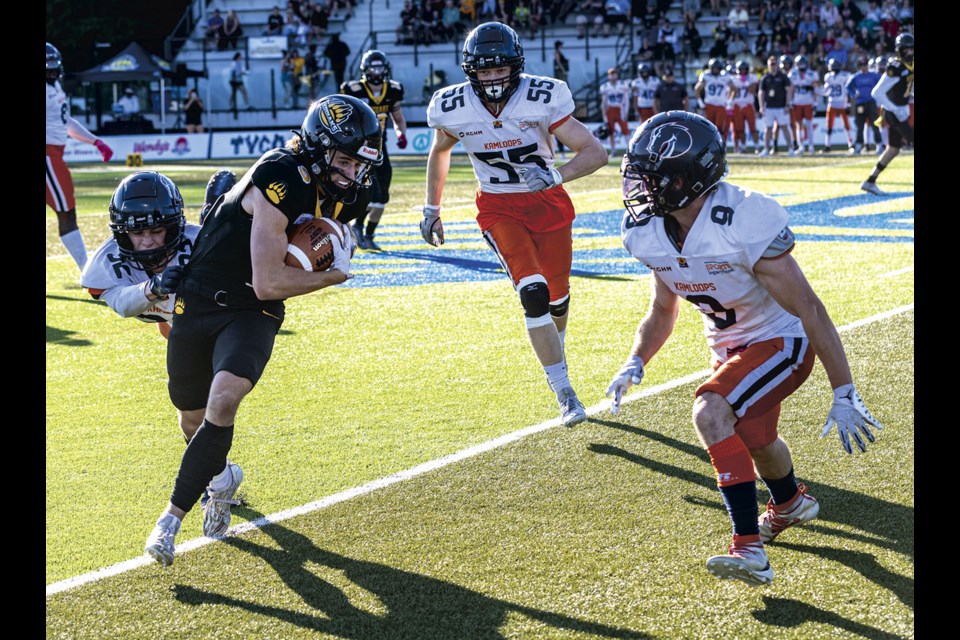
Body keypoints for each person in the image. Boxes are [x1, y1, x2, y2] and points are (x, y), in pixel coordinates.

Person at [610, 110, 884, 587]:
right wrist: (637, 359)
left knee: (710, 411)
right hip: (730, 347)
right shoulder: (647, 231)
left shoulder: (742, 218)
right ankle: (790, 502)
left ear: (688, 180)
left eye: (653, 176)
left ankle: (748, 549)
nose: (639, 185)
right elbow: (662, 311)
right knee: (757, 441)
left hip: (783, 341)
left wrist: (844, 391)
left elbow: (810, 309)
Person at [143, 95, 383, 566]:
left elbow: (269, 287)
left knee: (224, 399)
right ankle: (221, 478)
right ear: (316, 150)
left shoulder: (344, 190)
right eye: (344, 160)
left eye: (359, 163)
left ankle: (169, 521)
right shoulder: (281, 174)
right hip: (203, 295)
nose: (352, 173)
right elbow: (271, 277)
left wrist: (331, 243)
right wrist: (331, 275)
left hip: (253, 309)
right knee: (191, 417)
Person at [420, 22, 607, 427]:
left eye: (498, 70)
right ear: (470, 71)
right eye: (483, 71)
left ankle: (555, 352)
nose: (491, 78)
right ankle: (564, 392)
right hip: (498, 207)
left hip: (548, 204)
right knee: (534, 293)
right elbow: (440, 152)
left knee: (557, 298)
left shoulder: (542, 96)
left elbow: (595, 152)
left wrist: (556, 175)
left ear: (515, 67)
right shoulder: (451, 106)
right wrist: (431, 208)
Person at [46, 42, 114, 274]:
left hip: (54, 154)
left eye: (54, 69)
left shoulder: (55, 87)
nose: (53, 73)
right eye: (48, 70)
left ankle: (87, 270)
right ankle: (87, 271)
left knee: (67, 210)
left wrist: (95, 141)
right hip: (47, 156)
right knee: (67, 212)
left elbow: (65, 123)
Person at [340, 50, 409, 251]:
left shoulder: (393, 90)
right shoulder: (353, 89)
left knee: (383, 195)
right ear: (365, 70)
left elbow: (398, 119)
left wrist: (401, 134)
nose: (377, 72)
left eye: (380, 67)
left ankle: (367, 233)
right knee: (374, 194)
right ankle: (358, 227)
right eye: (373, 68)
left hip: (381, 148)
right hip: (360, 150)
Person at [861, 32, 913, 195]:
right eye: (906, 49)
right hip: (893, 112)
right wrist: (895, 108)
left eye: (912, 49)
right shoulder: (895, 67)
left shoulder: (910, 65)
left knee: (893, 149)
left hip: (900, 110)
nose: (910, 53)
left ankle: (870, 181)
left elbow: (907, 86)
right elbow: (876, 93)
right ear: (899, 50)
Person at [757, 55, 795, 156]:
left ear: (777, 65)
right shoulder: (765, 78)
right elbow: (761, 93)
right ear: (768, 65)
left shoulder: (782, 76)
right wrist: (761, 106)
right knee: (768, 129)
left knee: (784, 127)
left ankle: (790, 148)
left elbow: (789, 90)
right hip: (768, 107)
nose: (773, 66)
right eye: (771, 64)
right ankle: (766, 149)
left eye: (774, 64)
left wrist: (787, 104)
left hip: (781, 106)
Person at [845, 54, 882, 155]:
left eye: (865, 65)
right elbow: (847, 87)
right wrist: (853, 94)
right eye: (862, 65)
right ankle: (858, 147)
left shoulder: (874, 75)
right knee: (860, 125)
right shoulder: (855, 77)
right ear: (859, 66)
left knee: (875, 124)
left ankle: (879, 145)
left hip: (871, 103)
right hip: (860, 103)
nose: (864, 67)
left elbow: (882, 83)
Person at [819, 58, 853, 153]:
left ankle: (851, 144)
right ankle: (827, 145)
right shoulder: (828, 77)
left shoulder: (844, 76)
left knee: (846, 125)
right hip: (832, 103)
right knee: (829, 126)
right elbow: (826, 91)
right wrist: (817, 90)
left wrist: (848, 104)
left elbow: (848, 91)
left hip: (842, 103)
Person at [695, 59, 731, 147]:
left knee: (719, 128)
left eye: (717, 68)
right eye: (713, 68)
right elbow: (697, 89)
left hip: (721, 105)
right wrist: (700, 103)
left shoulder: (725, 76)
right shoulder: (706, 75)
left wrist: (729, 101)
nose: (715, 70)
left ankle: (719, 146)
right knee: (708, 127)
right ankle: (707, 146)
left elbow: (734, 89)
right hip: (709, 104)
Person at [787, 55, 818, 154]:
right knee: (798, 125)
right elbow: (790, 89)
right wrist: (790, 102)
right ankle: (801, 146)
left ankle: (811, 146)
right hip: (797, 102)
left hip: (808, 102)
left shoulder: (811, 74)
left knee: (809, 125)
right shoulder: (792, 74)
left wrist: (815, 102)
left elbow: (815, 89)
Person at [599, 67, 631, 158]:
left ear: (617, 75)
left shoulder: (623, 84)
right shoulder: (605, 86)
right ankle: (613, 151)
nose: (613, 76)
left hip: (620, 108)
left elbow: (626, 100)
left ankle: (629, 150)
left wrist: (626, 112)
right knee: (611, 132)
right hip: (610, 109)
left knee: (625, 131)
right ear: (608, 76)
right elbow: (603, 102)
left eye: (614, 74)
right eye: (611, 74)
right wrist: (604, 115)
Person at [729, 59, 759, 153]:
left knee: (753, 128)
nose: (742, 71)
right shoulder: (733, 79)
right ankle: (743, 147)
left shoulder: (752, 78)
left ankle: (757, 147)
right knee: (740, 129)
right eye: (741, 69)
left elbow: (751, 90)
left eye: (744, 69)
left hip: (748, 104)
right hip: (737, 105)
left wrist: (746, 83)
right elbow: (731, 92)